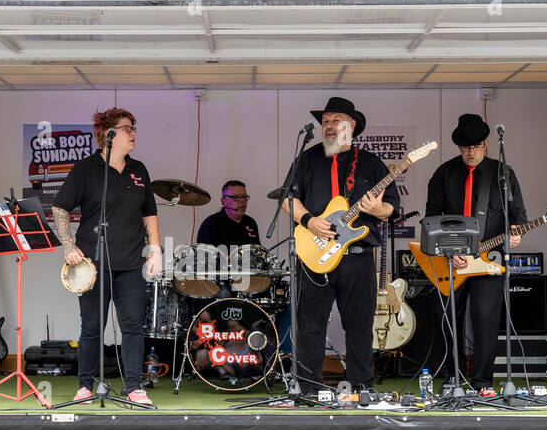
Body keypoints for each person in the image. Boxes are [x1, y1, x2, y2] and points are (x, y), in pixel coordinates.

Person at [280, 96, 399, 394]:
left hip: (357, 258)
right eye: (325, 121)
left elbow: (391, 208)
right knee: (310, 327)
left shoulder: (370, 163)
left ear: (352, 125)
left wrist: (377, 209)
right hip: (314, 255)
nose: (329, 126)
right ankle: (308, 388)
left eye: (336, 121)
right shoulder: (307, 159)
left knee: (359, 327)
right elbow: (287, 199)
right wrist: (309, 221)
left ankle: (362, 387)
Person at [52, 107, 162, 406]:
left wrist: (155, 249)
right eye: (128, 128)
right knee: (91, 328)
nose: (133, 133)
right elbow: (60, 207)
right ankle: (85, 387)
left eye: (134, 128)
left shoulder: (139, 169)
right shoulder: (86, 169)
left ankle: (134, 387)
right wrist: (68, 245)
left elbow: (149, 212)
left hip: (132, 263)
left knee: (132, 327)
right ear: (108, 134)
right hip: (92, 263)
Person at [425, 112, 526, 395]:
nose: (471, 152)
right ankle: (454, 377)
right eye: (465, 147)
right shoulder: (444, 174)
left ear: (486, 144)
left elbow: (517, 214)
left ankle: (482, 382)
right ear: (458, 146)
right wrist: (449, 250)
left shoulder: (503, 173)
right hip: (451, 261)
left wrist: (515, 232)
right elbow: (432, 218)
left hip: (489, 258)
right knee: (448, 319)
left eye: (476, 146)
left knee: (486, 320)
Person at [197, 180, 260, 248]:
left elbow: (257, 252)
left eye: (244, 196)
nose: (242, 200)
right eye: (235, 197)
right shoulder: (210, 224)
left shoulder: (250, 222)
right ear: (223, 201)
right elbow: (202, 253)